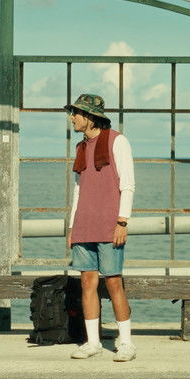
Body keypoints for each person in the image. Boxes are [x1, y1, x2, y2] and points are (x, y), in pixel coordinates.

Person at [65, 93, 137, 362]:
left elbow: (127, 184)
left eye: (75, 113)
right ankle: (93, 342)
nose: (72, 118)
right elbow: (78, 190)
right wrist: (72, 227)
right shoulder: (81, 147)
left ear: (90, 117)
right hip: (84, 224)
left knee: (114, 282)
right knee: (87, 282)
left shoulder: (118, 141)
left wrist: (122, 221)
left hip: (109, 224)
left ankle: (126, 343)